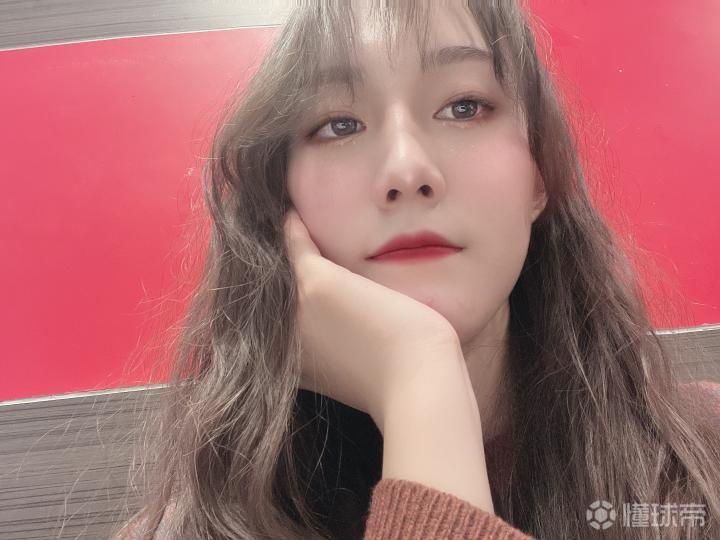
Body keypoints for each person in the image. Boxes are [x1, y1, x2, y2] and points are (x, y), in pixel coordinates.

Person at [113, 0, 720, 538]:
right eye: (340, 125)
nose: (407, 170)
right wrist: (418, 375)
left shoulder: (705, 464)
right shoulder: (183, 531)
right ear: (281, 201)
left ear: (540, 175)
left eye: (464, 107)